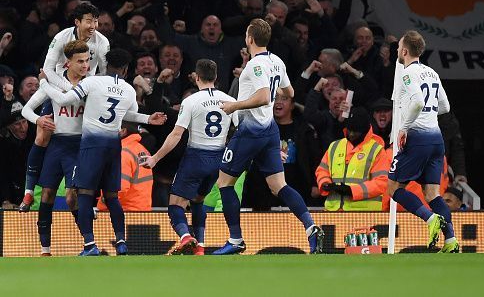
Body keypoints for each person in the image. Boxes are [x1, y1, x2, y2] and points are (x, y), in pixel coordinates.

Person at [39, 48, 166, 256]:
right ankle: (121, 241)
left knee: (86, 194)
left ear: (106, 65)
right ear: (125, 69)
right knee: (112, 196)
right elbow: (130, 115)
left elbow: (63, 100)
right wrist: (148, 118)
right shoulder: (128, 90)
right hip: (114, 146)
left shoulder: (92, 82)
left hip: (92, 145)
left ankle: (90, 245)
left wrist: (44, 82)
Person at [213, 18, 324, 255]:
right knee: (278, 185)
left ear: (250, 39)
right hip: (270, 130)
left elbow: (264, 97)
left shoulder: (255, 65)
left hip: (250, 132)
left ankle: (235, 239)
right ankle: (311, 227)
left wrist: (236, 106)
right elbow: (290, 92)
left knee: (224, 182)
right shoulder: (276, 61)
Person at [19, 2, 110, 212]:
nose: (93, 25)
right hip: (58, 89)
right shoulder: (61, 38)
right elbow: (47, 70)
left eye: (96, 21)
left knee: (98, 139)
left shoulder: (102, 42)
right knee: (42, 135)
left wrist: (87, 91)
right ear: (77, 22)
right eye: (89, 20)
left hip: (86, 93)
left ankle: (92, 199)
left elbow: (102, 74)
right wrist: (69, 89)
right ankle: (29, 191)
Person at [142, 59, 236, 256]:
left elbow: (176, 134)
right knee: (198, 200)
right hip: (218, 160)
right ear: (216, 77)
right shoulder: (229, 100)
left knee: (175, 205)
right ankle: (200, 247)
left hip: (196, 157)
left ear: (197, 77)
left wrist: (155, 159)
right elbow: (240, 130)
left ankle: (186, 237)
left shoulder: (191, 101)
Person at [387, 30, 459, 253]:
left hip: (417, 138)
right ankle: (451, 241)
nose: (397, 50)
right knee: (432, 193)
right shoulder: (432, 73)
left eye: (399, 47)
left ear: (405, 51)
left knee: (393, 188)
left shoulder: (408, 74)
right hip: (436, 139)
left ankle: (430, 219)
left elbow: (418, 102)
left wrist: (405, 127)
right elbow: (445, 107)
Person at [22, 40, 89, 256]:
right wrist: (38, 121)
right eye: (80, 61)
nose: (85, 66)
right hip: (57, 144)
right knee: (48, 194)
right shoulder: (53, 88)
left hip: (79, 144)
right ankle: (45, 250)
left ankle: (90, 243)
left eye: (87, 61)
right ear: (67, 63)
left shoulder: (90, 85)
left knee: (72, 197)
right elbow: (26, 110)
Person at [315, 107, 390, 211]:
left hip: (365, 215)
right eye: (349, 130)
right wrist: (324, 183)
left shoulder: (376, 150)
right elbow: (322, 170)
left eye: (356, 132)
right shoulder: (334, 146)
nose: (351, 134)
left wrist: (352, 190)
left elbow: (382, 182)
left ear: (365, 131)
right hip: (333, 212)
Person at [97, 121, 153, 212]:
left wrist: (103, 201)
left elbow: (119, 188)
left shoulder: (122, 152)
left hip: (124, 211)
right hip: (141, 210)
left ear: (123, 131)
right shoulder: (141, 149)